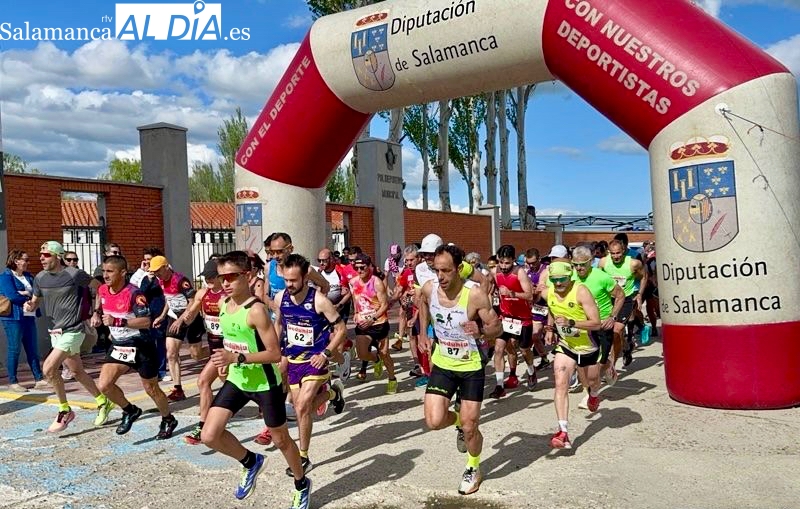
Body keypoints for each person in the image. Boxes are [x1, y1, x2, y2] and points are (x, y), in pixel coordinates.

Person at [201, 251, 311, 509]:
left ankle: (301, 483)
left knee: (281, 440)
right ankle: (251, 461)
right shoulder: (223, 305)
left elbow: (274, 354)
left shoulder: (256, 310)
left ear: (247, 276)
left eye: (231, 277)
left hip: (265, 383)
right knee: (209, 435)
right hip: (238, 380)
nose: (225, 282)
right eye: (221, 277)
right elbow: (229, 341)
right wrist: (223, 363)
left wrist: (236, 358)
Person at [418, 244, 501, 495]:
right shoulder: (430, 288)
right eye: (436, 270)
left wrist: (482, 331)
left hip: (471, 365)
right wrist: (424, 333)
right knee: (433, 421)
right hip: (443, 361)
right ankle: (459, 421)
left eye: (446, 271)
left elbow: (496, 327)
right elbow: (421, 303)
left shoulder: (474, 295)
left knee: (470, 426)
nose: (440, 276)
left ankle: (473, 467)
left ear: (459, 269)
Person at [24, 241, 112, 433]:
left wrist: (96, 311)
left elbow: (100, 288)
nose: (41, 258)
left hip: (74, 329)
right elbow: (36, 301)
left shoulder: (74, 274)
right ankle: (102, 401)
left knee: (48, 368)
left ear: (58, 256)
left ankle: (64, 410)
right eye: (41, 255)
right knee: (77, 372)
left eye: (46, 255)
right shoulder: (39, 278)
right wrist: (30, 306)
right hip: (56, 331)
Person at [274, 254, 346, 475]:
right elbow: (279, 323)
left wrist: (326, 353)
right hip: (293, 359)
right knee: (301, 408)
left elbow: (341, 329)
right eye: (286, 280)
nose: (290, 285)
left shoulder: (319, 301)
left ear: (305, 277)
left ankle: (303, 457)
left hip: (315, 359)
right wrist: (277, 352)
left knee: (303, 406)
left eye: (294, 280)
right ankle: (334, 394)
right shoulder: (280, 298)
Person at [92, 255, 178, 439]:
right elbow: (100, 302)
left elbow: (146, 321)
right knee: (104, 385)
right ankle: (130, 410)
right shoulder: (102, 289)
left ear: (122, 273)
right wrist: (96, 313)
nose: (105, 275)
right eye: (103, 271)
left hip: (140, 345)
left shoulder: (134, 293)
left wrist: (118, 321)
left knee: (151, 389)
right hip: (119, 345)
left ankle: (168, 419)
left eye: (110, 271)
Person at [541, 261, 602, 449]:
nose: (558, 284)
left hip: (587, 347)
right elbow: (552, 308)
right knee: (560, 384)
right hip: (566, 345)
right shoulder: (548, 291)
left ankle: (594, 395)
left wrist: (572, 322)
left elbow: (597, 323)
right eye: (554, 280)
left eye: (562, 279)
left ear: (570, 276)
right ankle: (563, 432)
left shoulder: (581, 291)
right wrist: (550, 327)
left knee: (591, 381)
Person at [570, 246, 625, 407]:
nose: (579, 268)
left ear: (591, 262)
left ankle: (604, 370)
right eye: (576, 264)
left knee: (597, 362)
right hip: (581, 326)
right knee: (582, 362)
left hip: (601, 324)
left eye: (583, 264)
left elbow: (620, 295)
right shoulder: (571, 277)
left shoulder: (601, 277)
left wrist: (612, 316)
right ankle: (589, 389)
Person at [182, 260, 227, 445]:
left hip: (229, 347)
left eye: (211, 277)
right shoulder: (203, 293)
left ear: (219, 277)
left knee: (231, 385)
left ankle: (269, 411)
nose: (207, 280)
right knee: (204, 382)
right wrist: (187, 317)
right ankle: (203, 424)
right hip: (214, 346)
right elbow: (192, 311)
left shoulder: (227, 295)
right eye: (205, 277)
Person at [152, 255, 204, 401]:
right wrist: (162, 316)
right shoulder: (160, 280)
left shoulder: (181, 280)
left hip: (190, 317)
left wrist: (182, 319)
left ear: (166, 267)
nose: (156, 274)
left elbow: (193, 301)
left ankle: (215, 352)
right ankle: (178, 389)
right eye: (154, 271)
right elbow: (169, 299)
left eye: (158, 270)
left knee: (196, 355)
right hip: (174, 317)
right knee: (171, 353)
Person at [490, 245, 536, 395]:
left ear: (513, 261)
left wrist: (512, 293)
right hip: (506, 317)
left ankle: (531, 371)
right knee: (498, 349)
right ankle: (499, 386)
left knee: (524, 349)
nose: (503, 266)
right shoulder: (494, 271)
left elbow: (529, 295)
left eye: (507, 263)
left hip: (523, 319)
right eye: (501, 262)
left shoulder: (520, 273)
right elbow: (486, 286)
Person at [0, 250, 46, 392]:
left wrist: (26, 294)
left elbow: (37, 293)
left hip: (28, 315)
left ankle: (39, 379)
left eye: (27, 260)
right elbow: (12, 296)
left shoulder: (27, 276)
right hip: (13, 317)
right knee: (14, 349)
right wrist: (26, 296)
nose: (27, 263)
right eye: (24, 260)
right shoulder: (5, 277)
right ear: (16, 261)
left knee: (32, 348)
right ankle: (13, 382)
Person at [350, 254, 397, 392]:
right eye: (356, 268)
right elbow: (355, 299)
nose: (359, 271)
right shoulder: (353, 282)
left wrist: (373, 319)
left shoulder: (376, 282)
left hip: (378, 323)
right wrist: (356, 313)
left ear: (369, 266)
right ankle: (376, 360)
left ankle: (392, 378)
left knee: (385, 353)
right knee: (362, 354)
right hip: (363, 323)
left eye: (362, 267)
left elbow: (384, 305)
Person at [599, 239, 646, 367]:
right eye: (613, 253)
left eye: (618, 253)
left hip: (626, 299)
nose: (616, 256)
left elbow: (643, 277)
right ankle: (627, 346)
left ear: (624, 251)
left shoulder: (634, 263)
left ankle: (612, 366)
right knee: (609, 333)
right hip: (609, 300)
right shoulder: (603, 262)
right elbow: (598, 279)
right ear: (609, 252)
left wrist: (639, 294)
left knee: (617, 329)